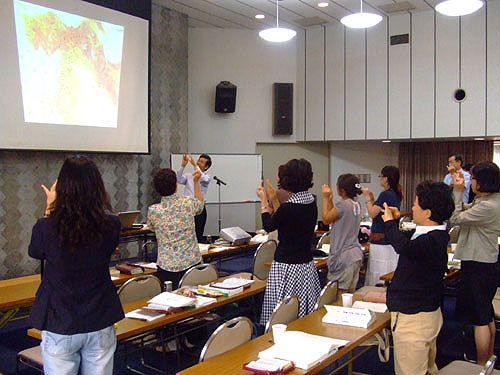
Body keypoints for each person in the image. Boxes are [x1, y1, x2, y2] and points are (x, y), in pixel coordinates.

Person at [28, 155, 124, 375]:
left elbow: (36, 252)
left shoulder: (46, 227)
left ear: (63, 187)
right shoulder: (111, 224)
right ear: (98, 187)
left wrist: (50, 209)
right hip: (100, 315)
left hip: (60, 318)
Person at [381, 181, 454, 375]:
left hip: (414, 319)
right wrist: (396, 222)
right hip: (427, 313)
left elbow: (403, 246)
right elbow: (408, 239)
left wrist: (388, 223)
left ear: (428, 212)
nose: (412, 208)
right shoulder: (435, 234)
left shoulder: (430, 241)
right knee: (426, 367)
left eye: (415, 204)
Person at [256, 158, 321, 324]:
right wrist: (274, 199)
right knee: (303, 308)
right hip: (305, 264)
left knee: (283, 310)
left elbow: (269, 225)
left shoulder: (288, 207)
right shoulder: (311, 201)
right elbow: (288, 222)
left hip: (286, 265)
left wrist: (264, 200)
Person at [449, 161, 500, 365]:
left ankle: (481, 364)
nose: (473, 182)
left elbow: (455, 218)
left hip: (479, 264)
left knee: (480, 318)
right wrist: (460, 191)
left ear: (483, 182)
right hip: (485, 262)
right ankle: (489, 359)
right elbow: (465, 209)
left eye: (475, 179)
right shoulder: (489, 200)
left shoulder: (488, 206)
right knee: (485, 314)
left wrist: (458, 191)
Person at [148, 168, 204, 289]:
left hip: (166, 267)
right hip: (191, 264)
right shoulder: (187, 203)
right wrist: (195, 182)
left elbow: (152, 227)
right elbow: (200, 205)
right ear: (176, 186)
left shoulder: (154, 210)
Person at [321, 174, 364, 292]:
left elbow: (326, 219)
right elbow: (334, 216)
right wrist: (330, 199)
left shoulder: (343, 205)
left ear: (342, 190)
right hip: (355, 256)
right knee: (349, 296)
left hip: (343, 257)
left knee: (338, 297)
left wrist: (324, 198)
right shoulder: (356, 205)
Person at [362, 165, 403, 285]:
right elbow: (378, 209)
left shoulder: (385, 194)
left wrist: (367, 199)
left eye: (381, 176)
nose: (380, 178)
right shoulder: (395, 193)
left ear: (386, 178)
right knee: (387, 267)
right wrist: (372, 198)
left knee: (378, 270)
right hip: (389, 238)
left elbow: (372, 213)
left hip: (380, 240)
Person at [176, 153, 212, 243]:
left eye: (202, 162)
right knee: (187, 235)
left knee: (198, 235)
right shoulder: (189, 175)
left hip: (200, 208)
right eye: (198, 161)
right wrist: (183, 166)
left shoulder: (207, 177)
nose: (199, 163)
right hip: (187, 208)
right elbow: (178, 179)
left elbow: (203, 178)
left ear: (206, 167)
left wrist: (194, 165)